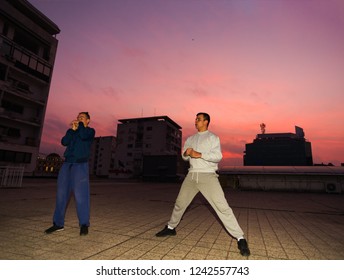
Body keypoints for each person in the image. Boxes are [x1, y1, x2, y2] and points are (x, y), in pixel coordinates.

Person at [155, 112, 250, 256]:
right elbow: (184, 156)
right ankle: (170, 228)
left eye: (198, 119)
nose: (195, 121)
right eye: (195, 119)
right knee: (180, 203)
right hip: (192, 176)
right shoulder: (190, 138)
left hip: (208, 176)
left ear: (206, 122)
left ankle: (240, 238)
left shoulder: (213, 138)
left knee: (222, 207)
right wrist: (186, 153)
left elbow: (217, 157)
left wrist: (198, 154)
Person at [44, 112, 95, 236]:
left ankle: (84, 224)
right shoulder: (72, 131)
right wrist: (72, 130)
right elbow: (64, 142)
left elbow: (83, 136)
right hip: (67, 164)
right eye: (78, 117)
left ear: (88, 120)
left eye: (82, 117)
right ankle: (58, 224)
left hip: (80, 165)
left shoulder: (89, 131)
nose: (78, 119)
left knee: (81, 195)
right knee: (61, 194)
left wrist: (81, 126)